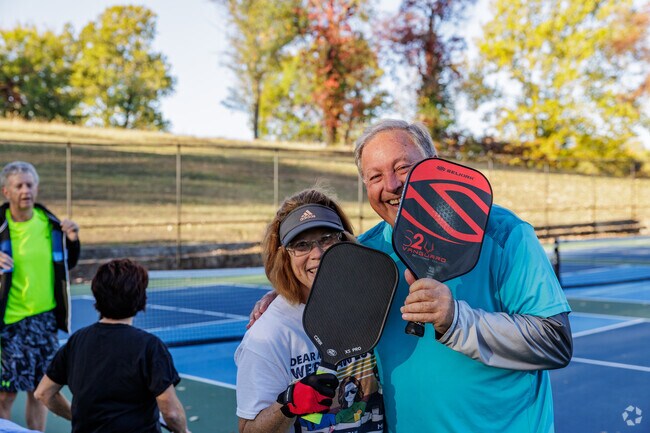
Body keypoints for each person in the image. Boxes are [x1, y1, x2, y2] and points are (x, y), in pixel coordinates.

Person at [248, 119, 573, 433]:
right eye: (375, 176)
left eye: (404, 168)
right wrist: (285, 296)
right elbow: (313, 273)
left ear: (433, 164)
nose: (392, 185)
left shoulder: (504, 234)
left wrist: (456, 318)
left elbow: (555, 343)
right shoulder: (366, 253)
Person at [235, 188, 385, 433]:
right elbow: (247, 430)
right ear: (284, 256)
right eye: (301, 245)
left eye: (327, 238)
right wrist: (288, 406)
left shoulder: (368, 304)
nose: (318, 254)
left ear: (344, 241)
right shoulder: (268, 336)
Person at [34, 258, 190, 433]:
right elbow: (171, 413)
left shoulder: (77, 341)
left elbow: (43, 393)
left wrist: (79, 417)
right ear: (140, 298)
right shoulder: (150, 346)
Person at [0, 161, 80, 431]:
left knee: (41, 390)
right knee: (4, 395)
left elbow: (66, 266)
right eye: (19, 185)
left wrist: (72, 239)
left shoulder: (51, 225)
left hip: (44, 322)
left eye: (30, 184)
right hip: (8, 325)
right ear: (6, 191)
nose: (26, 190)